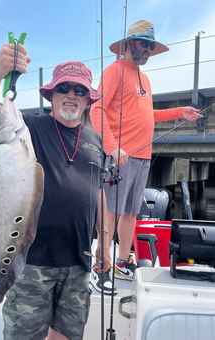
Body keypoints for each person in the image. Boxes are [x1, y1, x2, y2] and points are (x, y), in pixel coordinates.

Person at [0, 43, 105, 340]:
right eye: (64, 88)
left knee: (67, 335)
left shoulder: (95, 141)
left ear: (88, 100)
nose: (71, 95)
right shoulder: (29, 128)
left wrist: (105, 242)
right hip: (33, 261)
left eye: (79, 90)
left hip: (79, 262)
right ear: (52, 95)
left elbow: (98, 192)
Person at [89, 20, 203, 291]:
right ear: (129, 43)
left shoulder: (145, 78)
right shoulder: (114, 71)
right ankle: (100, 268)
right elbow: (97, 109)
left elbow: (146, 114)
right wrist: (112, 146)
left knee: (130, 213)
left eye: (151, 45)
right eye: (144, 43)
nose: (148, 50)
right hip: (120, 157)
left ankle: (121, 262)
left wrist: (179, 112)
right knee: (110, 212)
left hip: (141, 157)